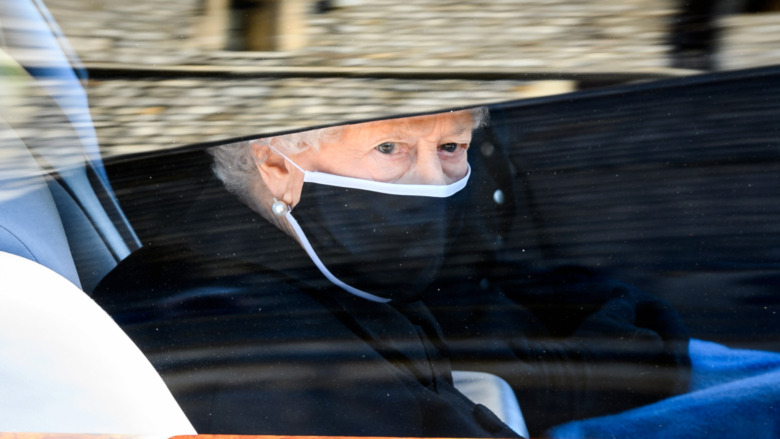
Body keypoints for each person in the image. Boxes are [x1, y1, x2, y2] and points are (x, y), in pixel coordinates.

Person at [93, 108, 691, 437]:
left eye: (451, 147)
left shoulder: (328, 273)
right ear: (276, 163)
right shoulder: (248, 334)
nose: (433, 181)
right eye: (390, 148)